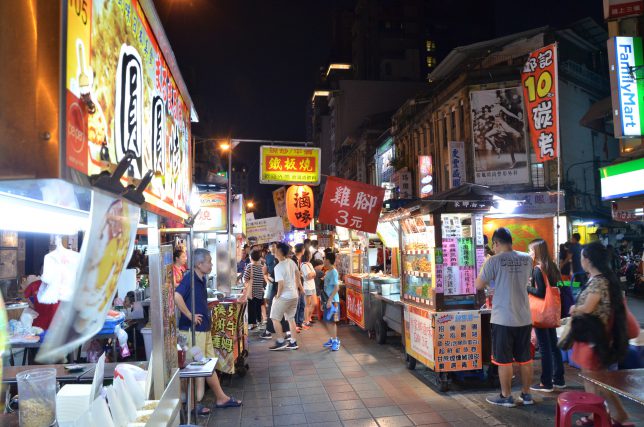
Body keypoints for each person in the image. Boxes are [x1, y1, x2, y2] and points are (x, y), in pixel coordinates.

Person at [570, 242, 632, 427]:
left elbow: (589, 307)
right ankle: (606, 414)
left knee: (596, 379)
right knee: (596, 379)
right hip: (595, 337)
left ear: (588, 260)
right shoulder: (600, 278)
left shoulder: (599, 281)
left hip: (595, 338)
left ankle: (604, 415)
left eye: (582, 257)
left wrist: (575, 308)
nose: (580, 260)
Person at [174, 248, 241, 414]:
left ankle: (221, 397)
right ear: (199, 264)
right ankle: (190, 406)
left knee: (208, 364)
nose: (211, 264)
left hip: (203, 330)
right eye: (209, 262)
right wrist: (190, 315)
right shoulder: (190, 278)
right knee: (193, 368)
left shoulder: (201, 279)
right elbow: (177, 296)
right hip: (192, 332)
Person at [475, 227, 534, 408]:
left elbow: (478, 285)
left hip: (503, 318)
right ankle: (526, 395)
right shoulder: (527, 258)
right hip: (524, 317)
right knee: (525, 359)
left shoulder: (493, 260)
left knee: (504, 360)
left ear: (496, 243)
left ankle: (506, 396)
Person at [526, 239, 566, 392]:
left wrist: (527, 288)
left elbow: (540, 292)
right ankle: (559, 379)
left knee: (544, 348)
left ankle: (546, 382)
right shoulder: (552, 266)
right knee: (553, 345)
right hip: (551, 311)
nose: (529, 253)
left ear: (536, 252)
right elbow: (558, 287)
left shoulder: (538, 269)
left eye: (530, 250)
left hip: (541, 313)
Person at [269, 242, 304, 350]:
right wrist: (298, 287)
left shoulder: (278, 267)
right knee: (291, 318)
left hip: (285, 296)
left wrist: (277, 296)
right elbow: (298, 274)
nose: (274, 251)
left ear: (280, 252)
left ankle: (280, 341)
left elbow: (281, 284)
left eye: (276, 249)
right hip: (294, 295)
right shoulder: (291, 262)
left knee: (274, 318)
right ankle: (293, 342)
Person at [322, 252, 341, 351]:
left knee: (332, 322)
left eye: (324, 258)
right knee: (328, 321)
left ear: (328, 260)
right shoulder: (328, 271)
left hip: (333, 301)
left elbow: (336, 287)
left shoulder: (333, 272)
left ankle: (335, 341)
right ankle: (332, 339)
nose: (323, 260)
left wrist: (330, 300)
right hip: (328, 300)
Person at [242, 249, 266, 330]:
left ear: (251, 257)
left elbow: (245, 278)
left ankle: (252, 324)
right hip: (259, 290)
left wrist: (246, 282)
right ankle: (259, 321)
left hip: (251, 291)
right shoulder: (261, 266)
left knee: (251, 307)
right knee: (258, 307)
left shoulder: (250, 266)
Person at [300, 250, 316, 328]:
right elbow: (309, 276)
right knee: (307, 304)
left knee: (314, 303)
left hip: (312, 286)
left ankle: (308, 318)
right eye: (310, 253)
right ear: (308, 255)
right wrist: (313, 274)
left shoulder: (309, 264)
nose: (311, 255)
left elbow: (314, 274)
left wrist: (312, 274)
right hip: (307, 286)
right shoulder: (304, 265)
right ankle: (306, 321)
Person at [293, 244, 307, 332]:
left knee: (302, 304)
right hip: (296, 287)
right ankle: (295, 325)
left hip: (299, 286)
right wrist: (300, 288)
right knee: (297, 306)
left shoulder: (298, 260)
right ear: (302, 250)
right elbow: (296, 276)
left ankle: (299, 323)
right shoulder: (294, 260)